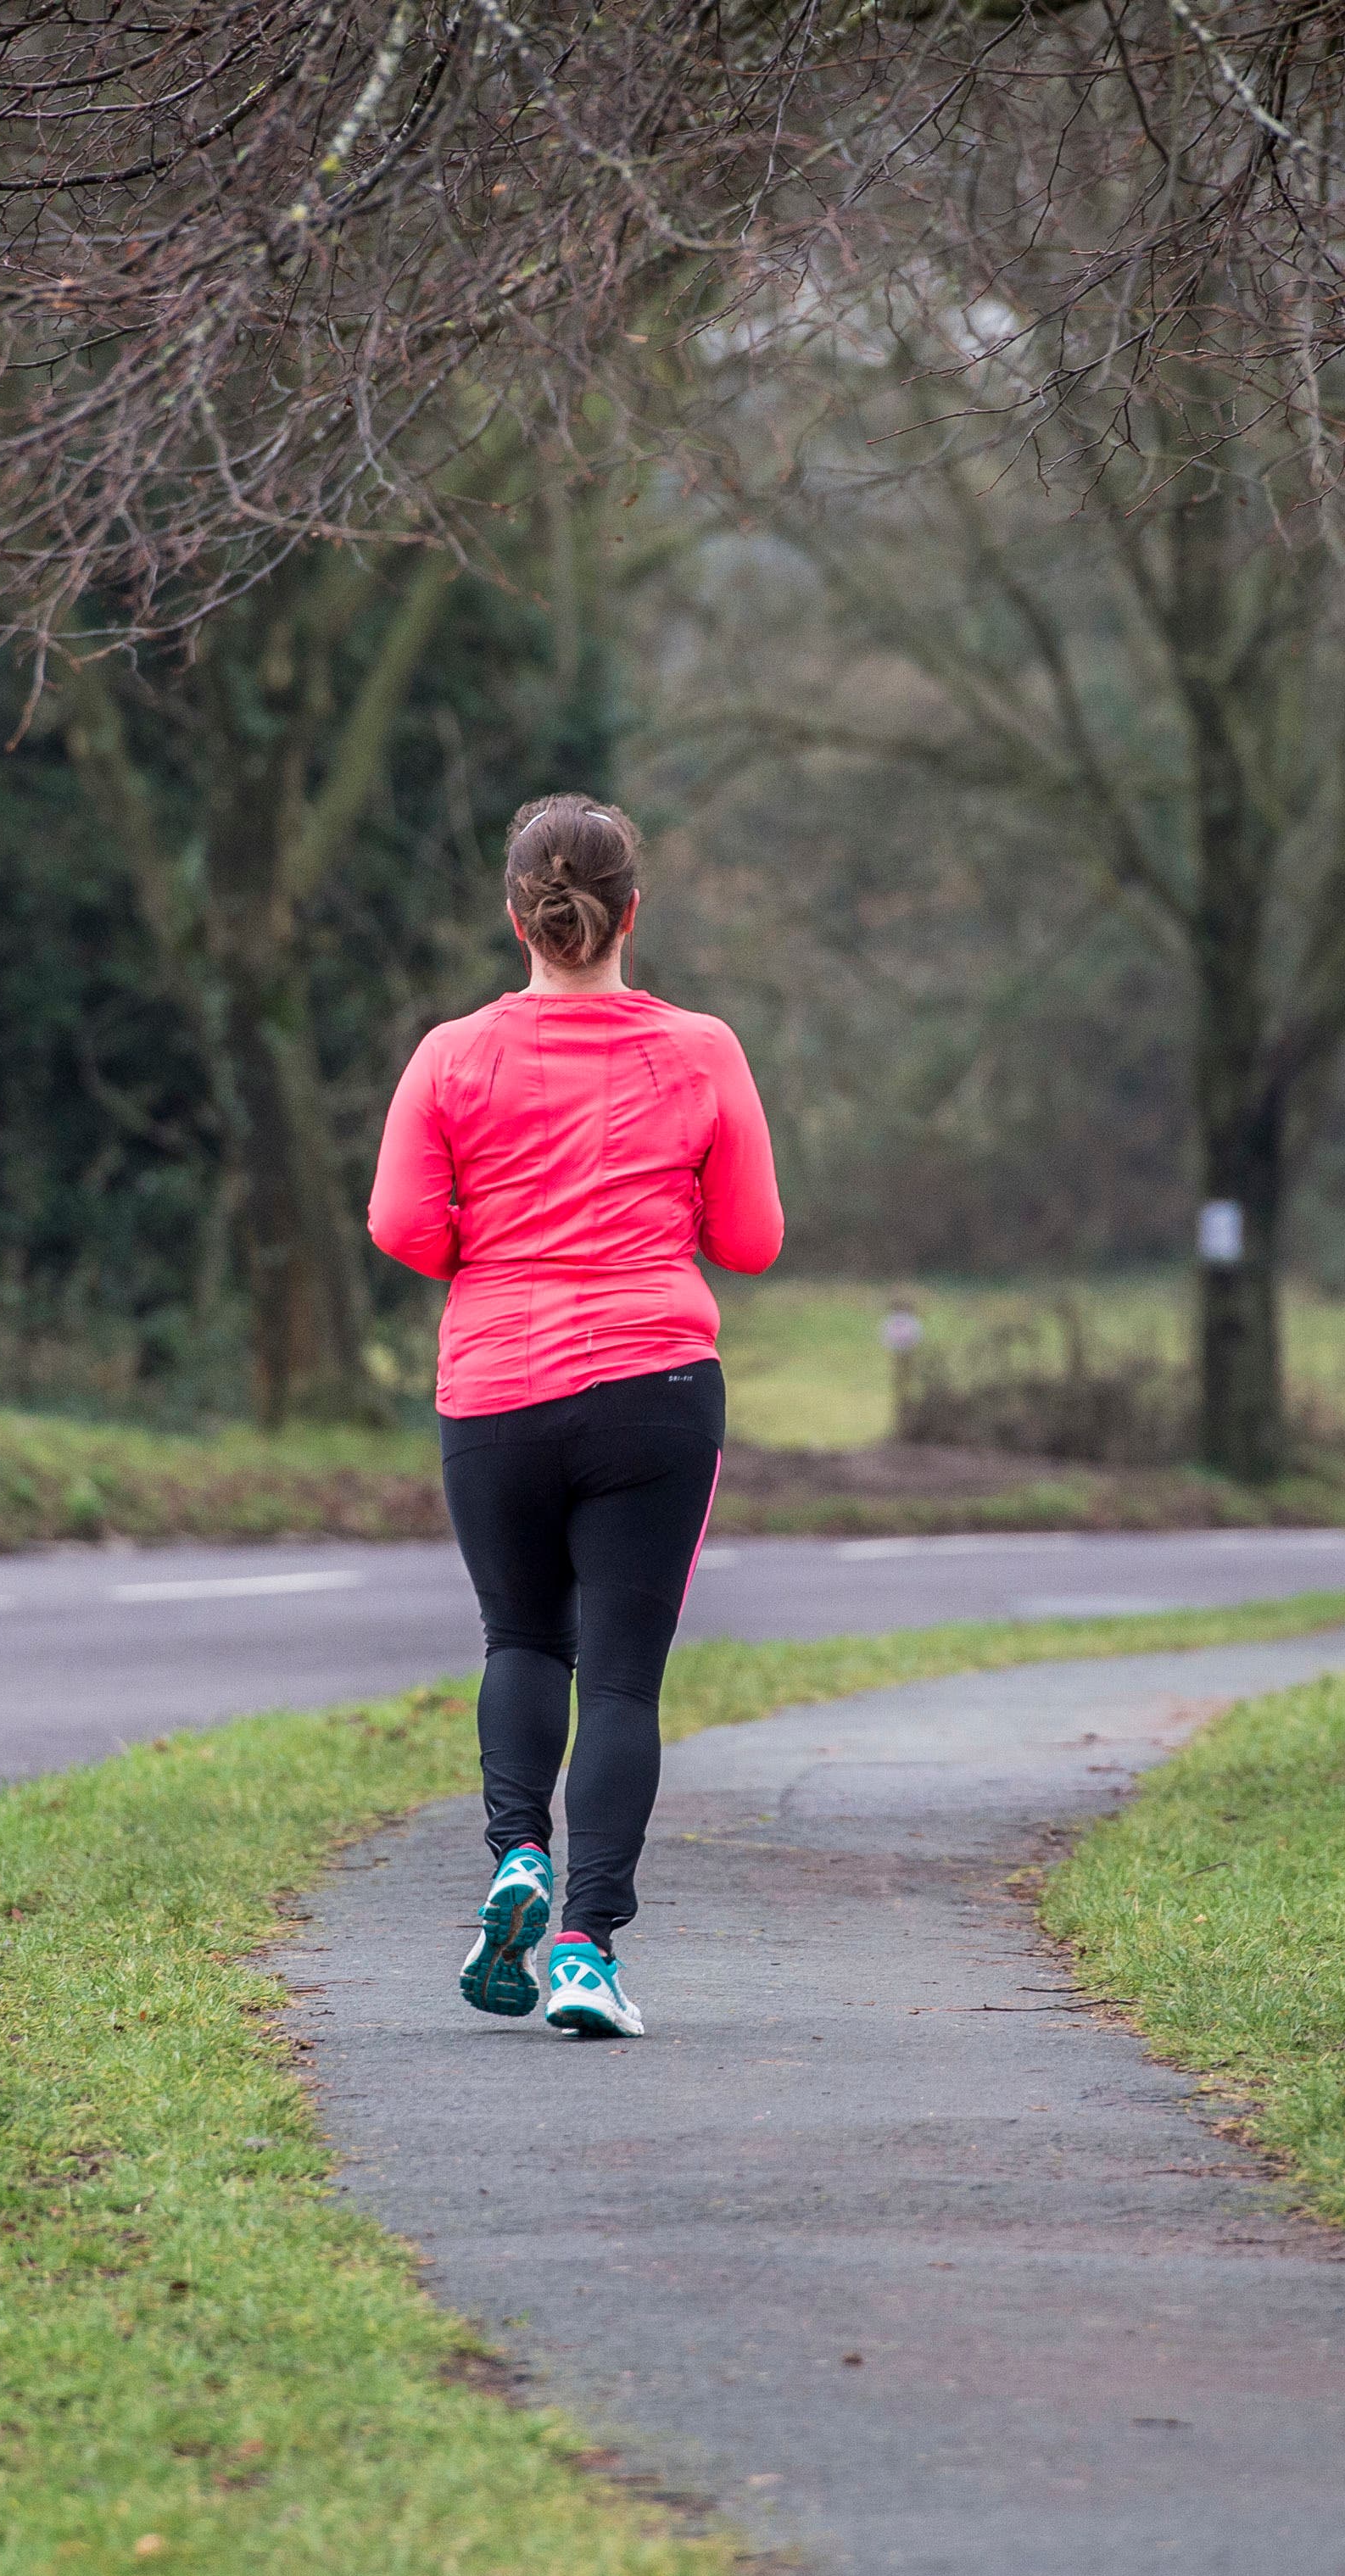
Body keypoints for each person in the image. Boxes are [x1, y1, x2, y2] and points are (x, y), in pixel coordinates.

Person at [367, 795, 783, 2038]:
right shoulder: (701, 1047)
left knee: (519, 1641)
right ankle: (586, 1951)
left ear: (516, 917)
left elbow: (399, 1225)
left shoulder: (450, 1054)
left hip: (494, 1384)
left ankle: (513, 1853)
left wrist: (482, 1250)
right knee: (620, 1683)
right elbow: (750, 1240)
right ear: (630, 913)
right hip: (652, 1390)